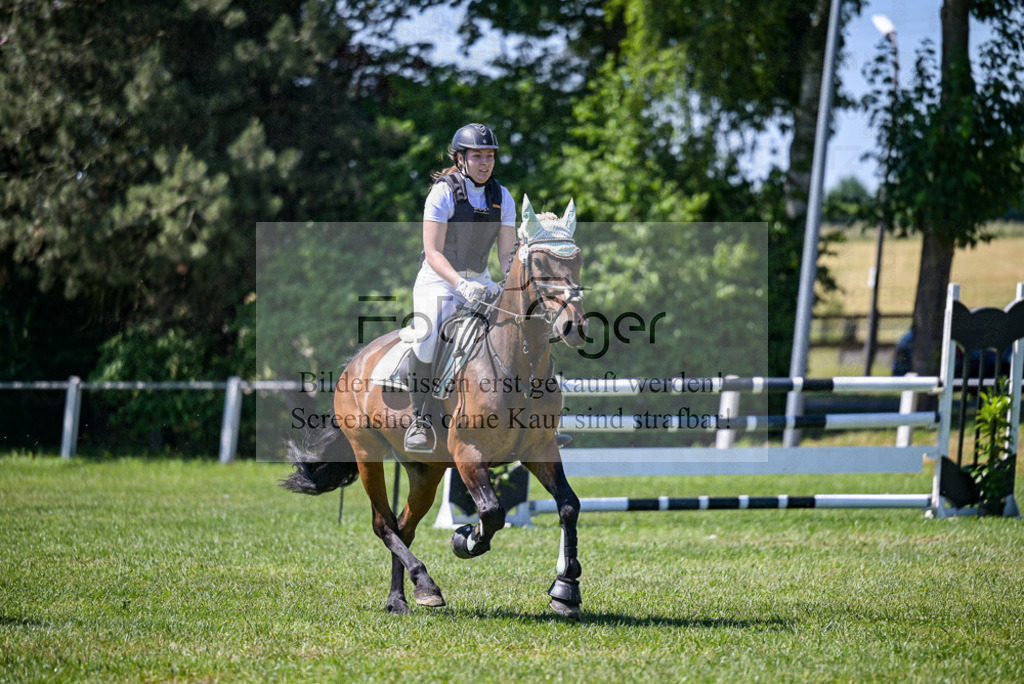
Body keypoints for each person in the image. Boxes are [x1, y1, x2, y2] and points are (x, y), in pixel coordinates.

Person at [404, 123, 516, 452]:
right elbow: (433, 252)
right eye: (477, 155)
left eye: (490, 156)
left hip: (480, 279)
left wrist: (502, 284)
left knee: (515, 328)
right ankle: (419, 418)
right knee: (427, 334)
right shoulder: (442, 192)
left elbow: (507, 253)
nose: (485, 162)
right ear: (461, 158)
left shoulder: (502, 196)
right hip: (439, 278)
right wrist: (460, 284)